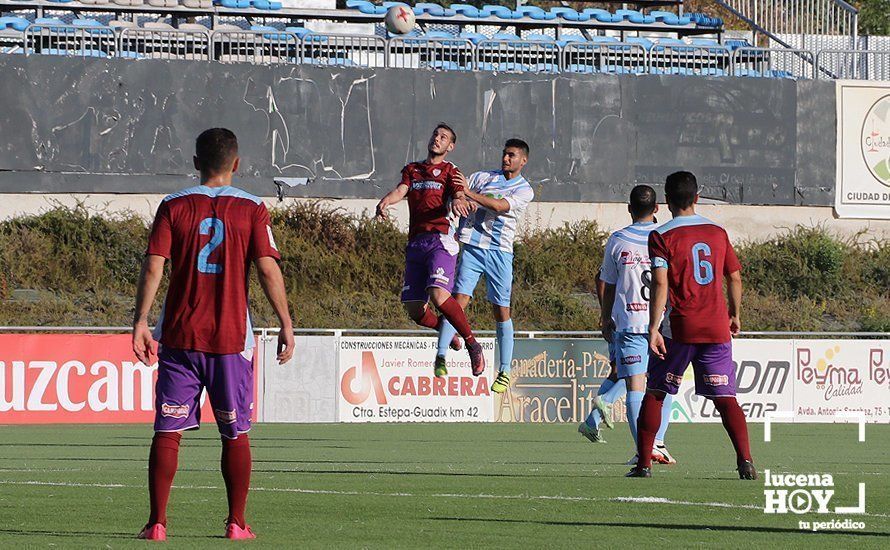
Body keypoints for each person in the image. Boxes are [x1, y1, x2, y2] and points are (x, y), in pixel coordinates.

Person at [132, 128, 295, 540]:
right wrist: (286, 323)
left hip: (179, 336)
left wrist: (140, 320)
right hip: (230, 340)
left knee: (167, 431)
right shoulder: (253, 208)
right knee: (235, 431)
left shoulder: (173, 205)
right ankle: (237, 524)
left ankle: (156, 524)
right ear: (236, 164)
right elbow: (267, 268)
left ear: (195, 162)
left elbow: (155, 265)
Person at [627, 171, 755, 479]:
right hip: (715, 327)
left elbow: (660, 282)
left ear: (667, 201)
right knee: (726, 398)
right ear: (697, 198)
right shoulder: (717, 232)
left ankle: (644, 464)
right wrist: (735, 315)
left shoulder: (661, 235)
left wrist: (654, 326)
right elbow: (734, 277)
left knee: (656, 392)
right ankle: (746, 461)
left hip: (679, 328)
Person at [376, 124, 485, 375]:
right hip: (415, 243)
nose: (437, 139)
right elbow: (400, 191)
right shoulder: (413, 170)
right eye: (436, 135)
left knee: (438, 294)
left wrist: (458, 200)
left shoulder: (450, 170)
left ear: (451, 146)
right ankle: (447, 332)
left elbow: (459, 193)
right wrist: (386, 201)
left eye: (444, 137)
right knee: (414, 309)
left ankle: (472, 344)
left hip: (440, 240)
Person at [579, 188, 675, 466]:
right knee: (662, 384)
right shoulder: (667, 237)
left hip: (631, 322)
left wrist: (606, 316)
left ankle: (643, 450)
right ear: (657, 208)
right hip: (665, 323)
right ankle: (656, 443)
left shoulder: (618, 239)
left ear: (628, 208)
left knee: (634, 385)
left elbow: (607, 283)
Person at [434, 139, 533, 391]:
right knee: (457, 302)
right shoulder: (483, 177)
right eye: (504, 154)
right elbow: (459, 185)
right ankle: (441, 355)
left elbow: (499, 206)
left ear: (523, 160)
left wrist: (468, 194)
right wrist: (458, 195)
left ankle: (504, 370)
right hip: (473, 248)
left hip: (500, 252)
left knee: (501, 311)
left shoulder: (524, 189)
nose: (506, 158)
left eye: (512, 155)